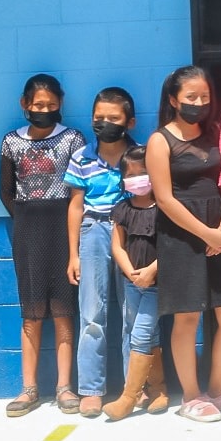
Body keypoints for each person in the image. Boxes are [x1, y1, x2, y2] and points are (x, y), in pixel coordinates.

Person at [149, 66, 221, 423]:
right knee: (188, 315)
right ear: (173, 100)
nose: (198, 103)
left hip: (220, 228)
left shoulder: (217, 133)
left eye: (204, 97)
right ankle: (191, 397)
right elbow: (164, 199)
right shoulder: (160, 141)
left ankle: (218, 390)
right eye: (191, 97)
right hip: (182, 235)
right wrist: (205, 234)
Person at [0, 73, 87, 417]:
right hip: (28, 231)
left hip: (64, 228)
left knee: (64, 312)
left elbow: (79, 189)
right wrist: (23, 220)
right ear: (25, 105)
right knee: (32, 313)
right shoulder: (11, 142)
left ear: (60, 105)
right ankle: (28, 388)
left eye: (51, 105)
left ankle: (65, 386)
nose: (44, 110)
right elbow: (6, 191)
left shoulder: (73, 139)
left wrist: (71, 235)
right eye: (38, 105)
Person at [63, 87, 137, 418]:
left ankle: (133, 387)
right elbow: (76, 206)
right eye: (99, 118)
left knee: (132, 311)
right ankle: (91, 389)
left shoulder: (140, 155)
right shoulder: (81, 157)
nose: (105, 123)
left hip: (130, 229)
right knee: (92, 312)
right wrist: (73, 254)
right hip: (93, 231)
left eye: (113, 118)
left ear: (129, 122)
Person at [102, 145, 167, 420]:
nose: (138, 178)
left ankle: (128, 398)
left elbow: (172, 247)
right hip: (132, 283)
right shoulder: (123, 209)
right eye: (132, 174)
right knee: (144, 334)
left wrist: (152, 271)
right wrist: (131, 273)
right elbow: (118, 246)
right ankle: (159, 390)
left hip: (156, 284)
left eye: (144, 172)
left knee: (139, 335)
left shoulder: (164, 207)